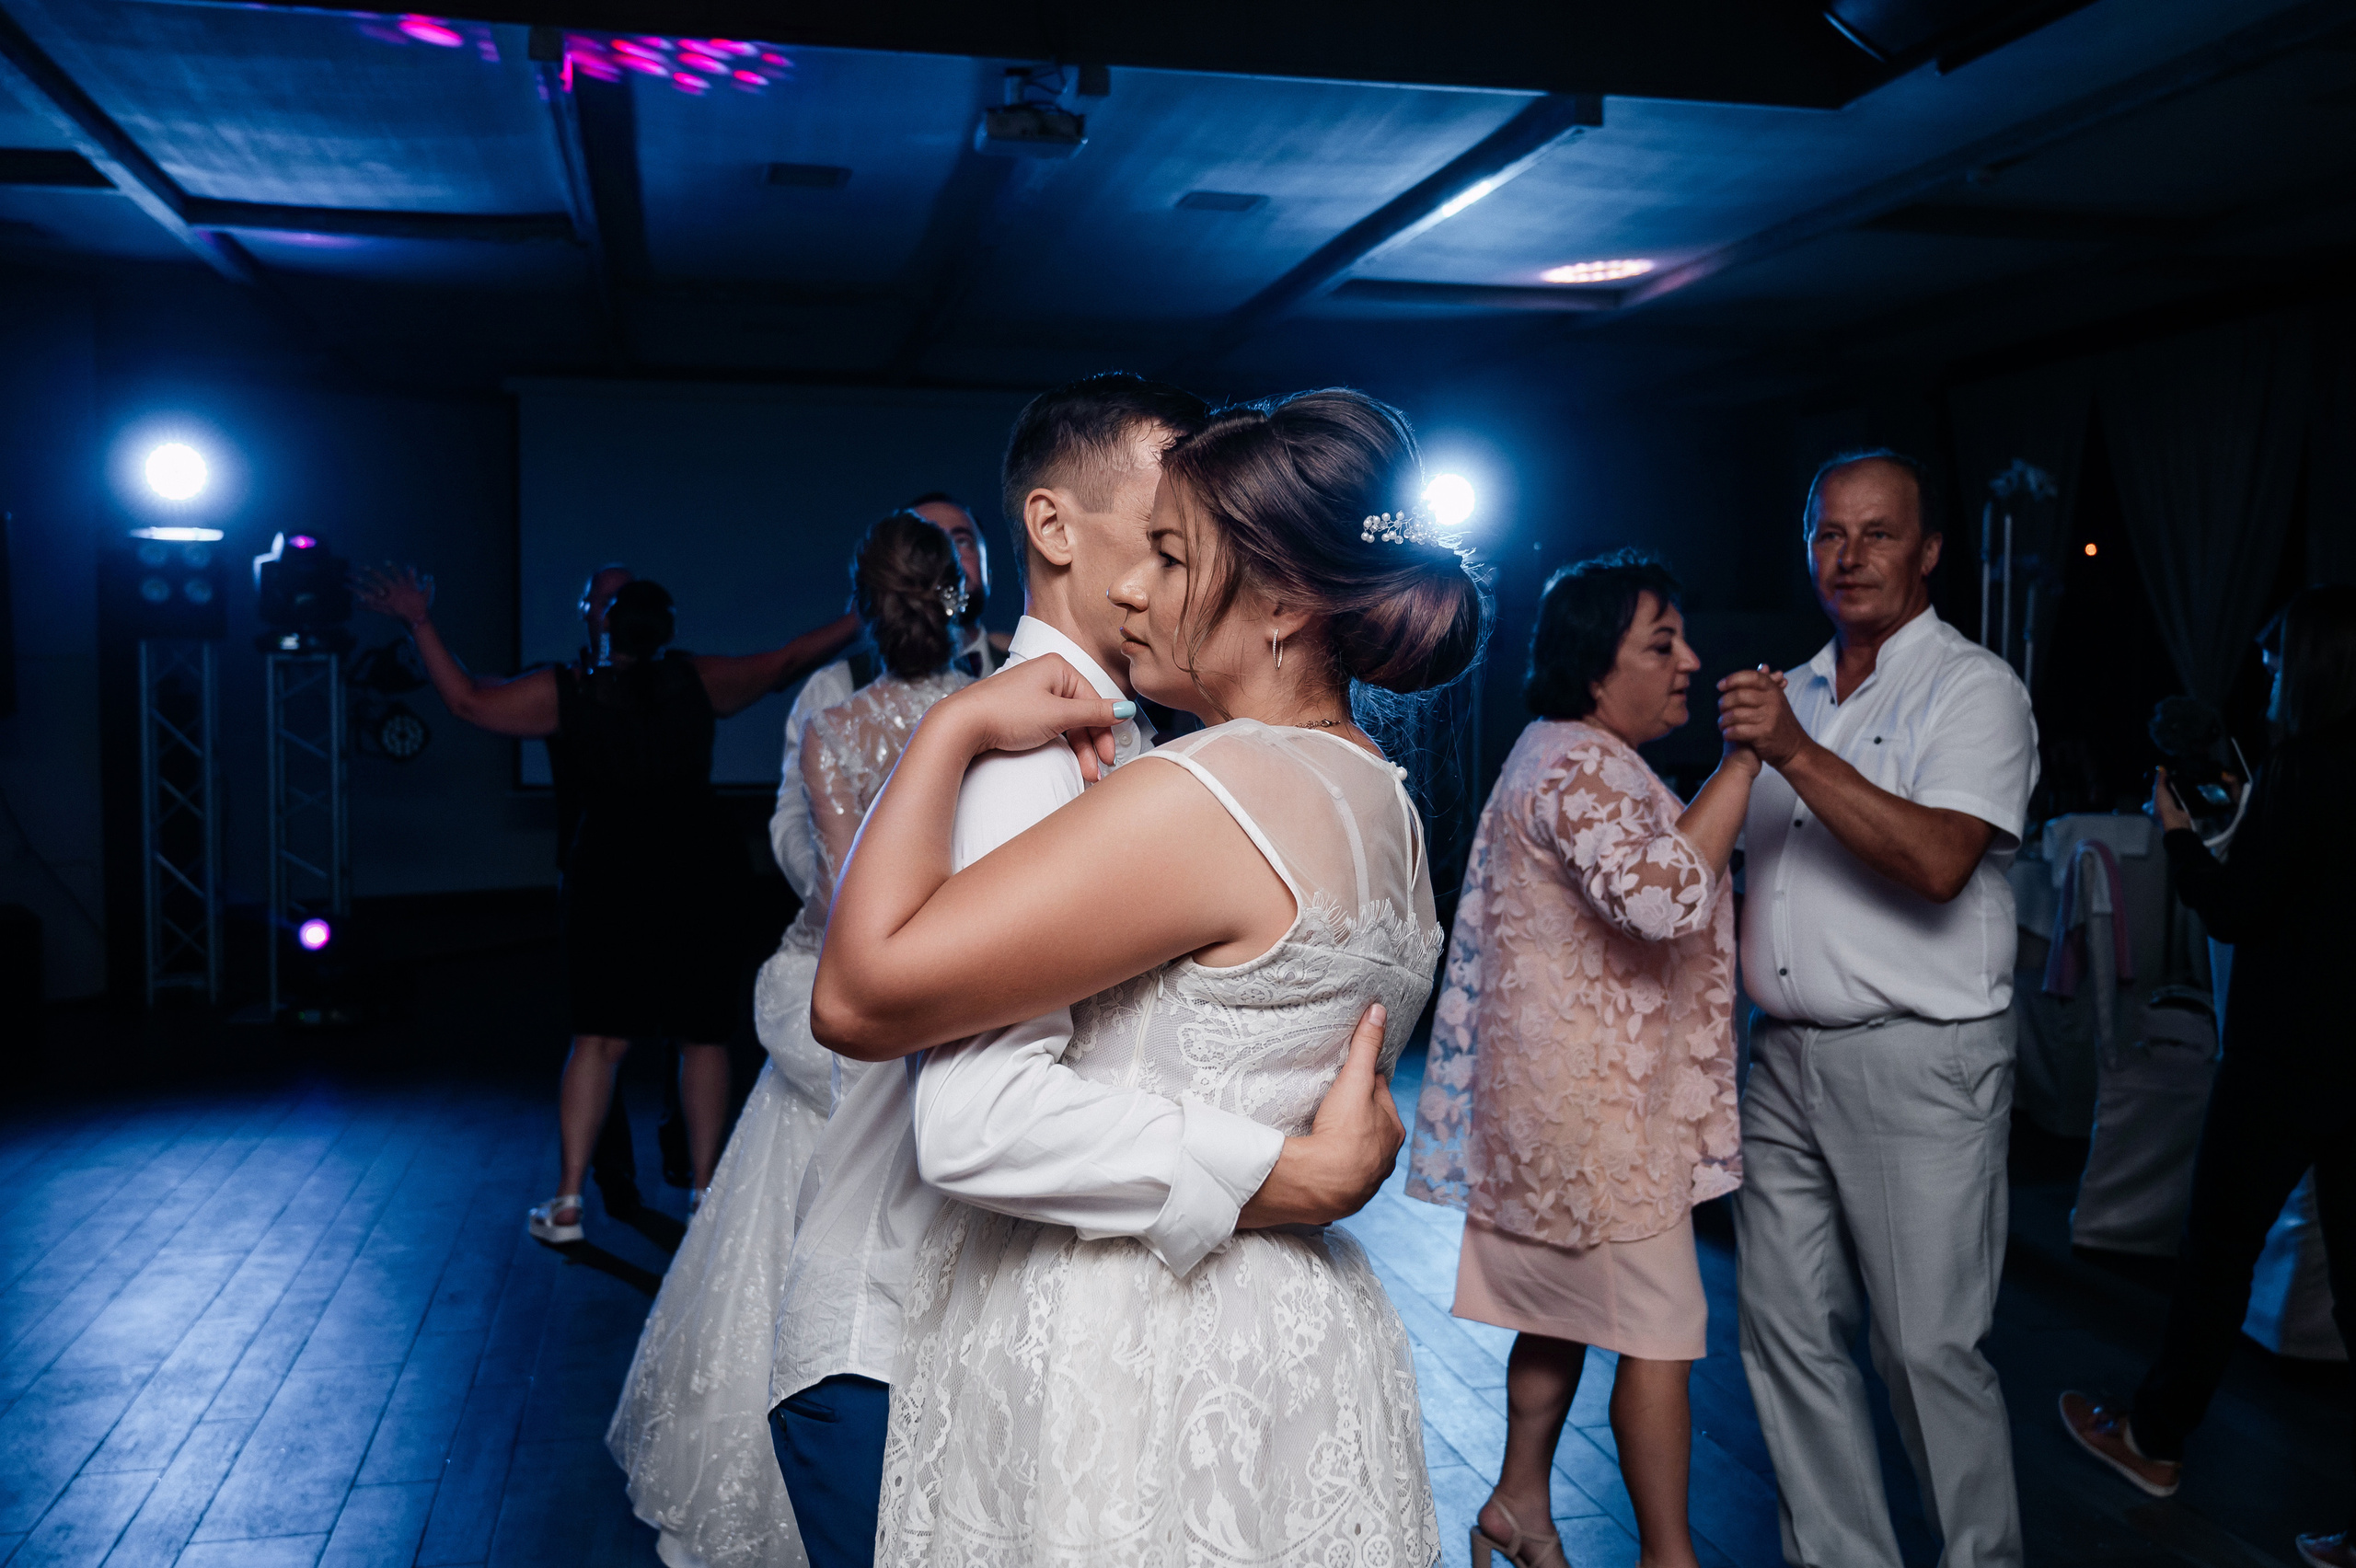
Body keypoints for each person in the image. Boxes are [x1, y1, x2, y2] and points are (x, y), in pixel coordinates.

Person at [811, 386, 1488, 1564]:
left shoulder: (1203, 793)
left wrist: (949, 729)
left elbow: (861, 1000)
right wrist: (1296, 1175)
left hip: (1138, 1351)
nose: (1130, 591)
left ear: (1280, 602)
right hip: (1297, 1345)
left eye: (1170, 558)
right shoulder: (1386, 801)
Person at [606, 512, 973, 1568]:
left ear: (861, 605)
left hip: (840, 993)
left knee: (785, 1229)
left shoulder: (835, 727)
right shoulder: (997, 714)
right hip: (949, 1003)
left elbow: (839, 894)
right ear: (954, 596)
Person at [1715, 448, 2037, 1568]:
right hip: (1782, 1060)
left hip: (1919, 1060)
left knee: (1927, 1349)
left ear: (1929, 551)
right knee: (1787, 1338)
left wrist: (1793, 755)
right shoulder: (1790, 690)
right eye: (1828, 536)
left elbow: (1943, 859)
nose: (1848, 559)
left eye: (1878, 534)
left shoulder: (1972, 689)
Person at [1409, 549, 1759, 1568]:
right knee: (1659, 1333)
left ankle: (1518, 1504)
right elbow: (1659, 901)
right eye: (1662, 643)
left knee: (1553, 1312)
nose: (1690, 661)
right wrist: (1745, 762)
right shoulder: (1576, 763)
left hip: (1556, 1106)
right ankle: (1667, 1558)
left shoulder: (1560, 750)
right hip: (1597, 1127)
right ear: (1595, 666)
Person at [353, 562, 858, 1241]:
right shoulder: (692, 679)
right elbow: (789, 658)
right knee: (694, 1037)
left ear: (602, 619)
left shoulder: (570, 691)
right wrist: (873, 610)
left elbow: (470, 701)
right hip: (691, 868)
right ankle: (698, 1197)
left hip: (613, 873)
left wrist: (420, 620)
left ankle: (574, 1203)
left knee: (610, 1039)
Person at [2060, 583, 2356, 1568]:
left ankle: (2151, 1444)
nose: (2266, 674)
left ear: (2309, 666)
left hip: (2283, 1063)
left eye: (2275, 662)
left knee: (2216, 1255)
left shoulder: (2306, 768)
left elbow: (2234, 909)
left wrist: (2178, 834)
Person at [769, 493, 1006, 901]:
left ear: (986, 563)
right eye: (922, 545)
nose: (942, 552)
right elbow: (794, 820)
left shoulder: (1019, 669)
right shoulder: (833, 689)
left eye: (961, 539)